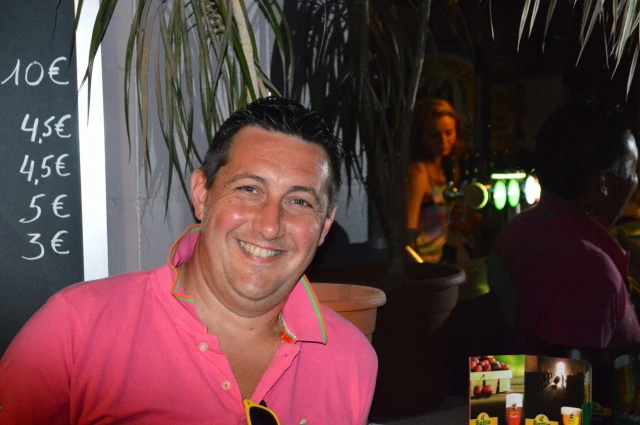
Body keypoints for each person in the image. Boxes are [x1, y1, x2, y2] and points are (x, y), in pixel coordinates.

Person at [0, 97, 378, 424]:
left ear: (324, 225)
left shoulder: (350, 360)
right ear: (201, 194)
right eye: (249, 189)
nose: (269, 225)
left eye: (299, 201)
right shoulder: (74, 331)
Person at [488, 100, 640, 353]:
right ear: (604, 182)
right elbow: (568, 377)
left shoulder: (520, 228)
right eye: (632, 170)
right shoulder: (592, 273)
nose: (636, 180)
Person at [405, 98, 478, 265]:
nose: (444, 142)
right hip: (422, 265)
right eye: (434, 135)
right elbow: (408, 232)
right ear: (421, 136)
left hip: (437, 261)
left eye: (448, 133)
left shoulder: (447, 168)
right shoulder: (418, 172)